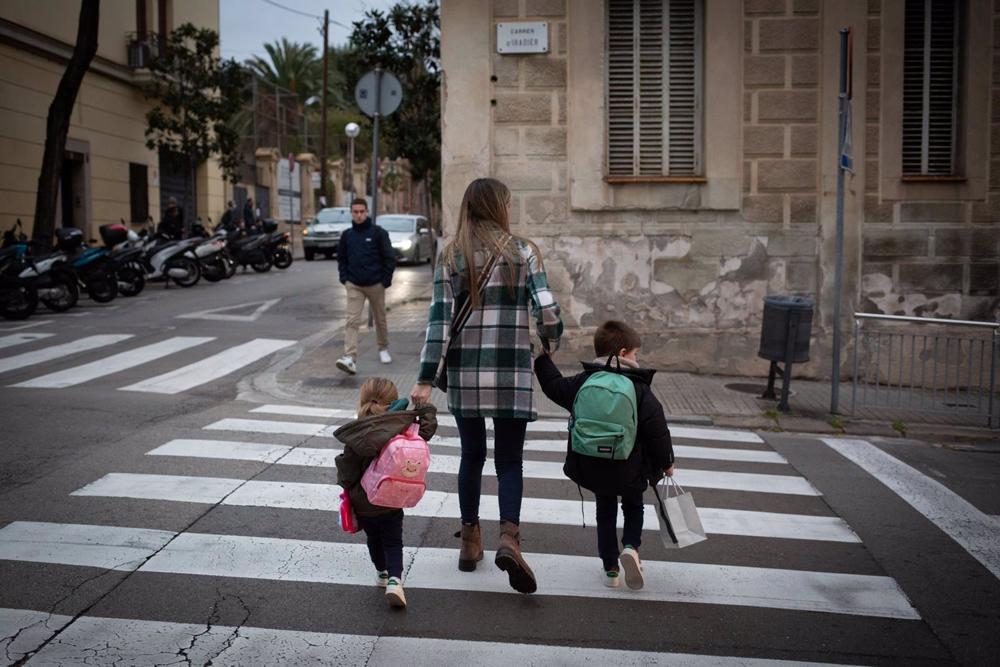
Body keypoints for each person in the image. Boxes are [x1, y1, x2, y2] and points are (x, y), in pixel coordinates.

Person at [410, 177, 563, 595]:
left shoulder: (452, 255)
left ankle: (470, 541)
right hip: (511, 372)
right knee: (510, 461)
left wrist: (426, 380)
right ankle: (509, 539)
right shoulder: (524, 251)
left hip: (466, 375)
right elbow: (547, 311)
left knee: (471, 456)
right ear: (500, 207)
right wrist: (550, 341)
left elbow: (439, 325)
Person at [533, 320, 674, 590]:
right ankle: (631, 548)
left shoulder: (585, 381)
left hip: (594, 464)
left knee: (605, 511)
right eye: (635, 353)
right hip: (629, 465)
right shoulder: (638, 388)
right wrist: (666, 462)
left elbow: (554, 386)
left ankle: (610, 569)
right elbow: (657, 429)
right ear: (622, 353)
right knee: (633, 506)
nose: (636, 358)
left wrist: (543, 360)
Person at [334, 378, 438, 609]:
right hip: (393, 496)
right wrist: (424, 408)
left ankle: (381, 572)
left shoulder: (358, 431)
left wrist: (348, 490)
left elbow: (348, 469)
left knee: (374, 539)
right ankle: (394, 581)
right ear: (392, 401)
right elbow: (427, 430)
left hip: (365, 499)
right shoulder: (400, 424)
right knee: (393, 541)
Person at [336, 198, 396, 375]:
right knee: (352, 321)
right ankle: (349, 357)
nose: (359, 215)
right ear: (351, 213)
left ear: (367, 212)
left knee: (380, 319)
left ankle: (383, 348)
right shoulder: (347, 235)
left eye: (362, 211)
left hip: (376, 284)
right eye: (355, 212)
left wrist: (385, 281)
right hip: (354, 284)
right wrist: (345, 279)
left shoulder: (378, 233)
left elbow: (389, 258)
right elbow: (342, 258)